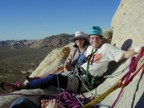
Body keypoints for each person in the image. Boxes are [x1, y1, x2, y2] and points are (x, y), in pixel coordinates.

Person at [0, 26, 140, 93]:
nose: (93, 40)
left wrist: (137, 50)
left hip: (83, 83)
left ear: (101, 38)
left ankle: (23, 87)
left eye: (96, 37)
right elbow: (81, 61)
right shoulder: (90, 49)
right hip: (76, 75)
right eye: (91, 38)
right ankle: (31, 82)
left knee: (52, 79)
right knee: (54, 74)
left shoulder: (108, 48)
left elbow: (124, 55)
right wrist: (68, 67)